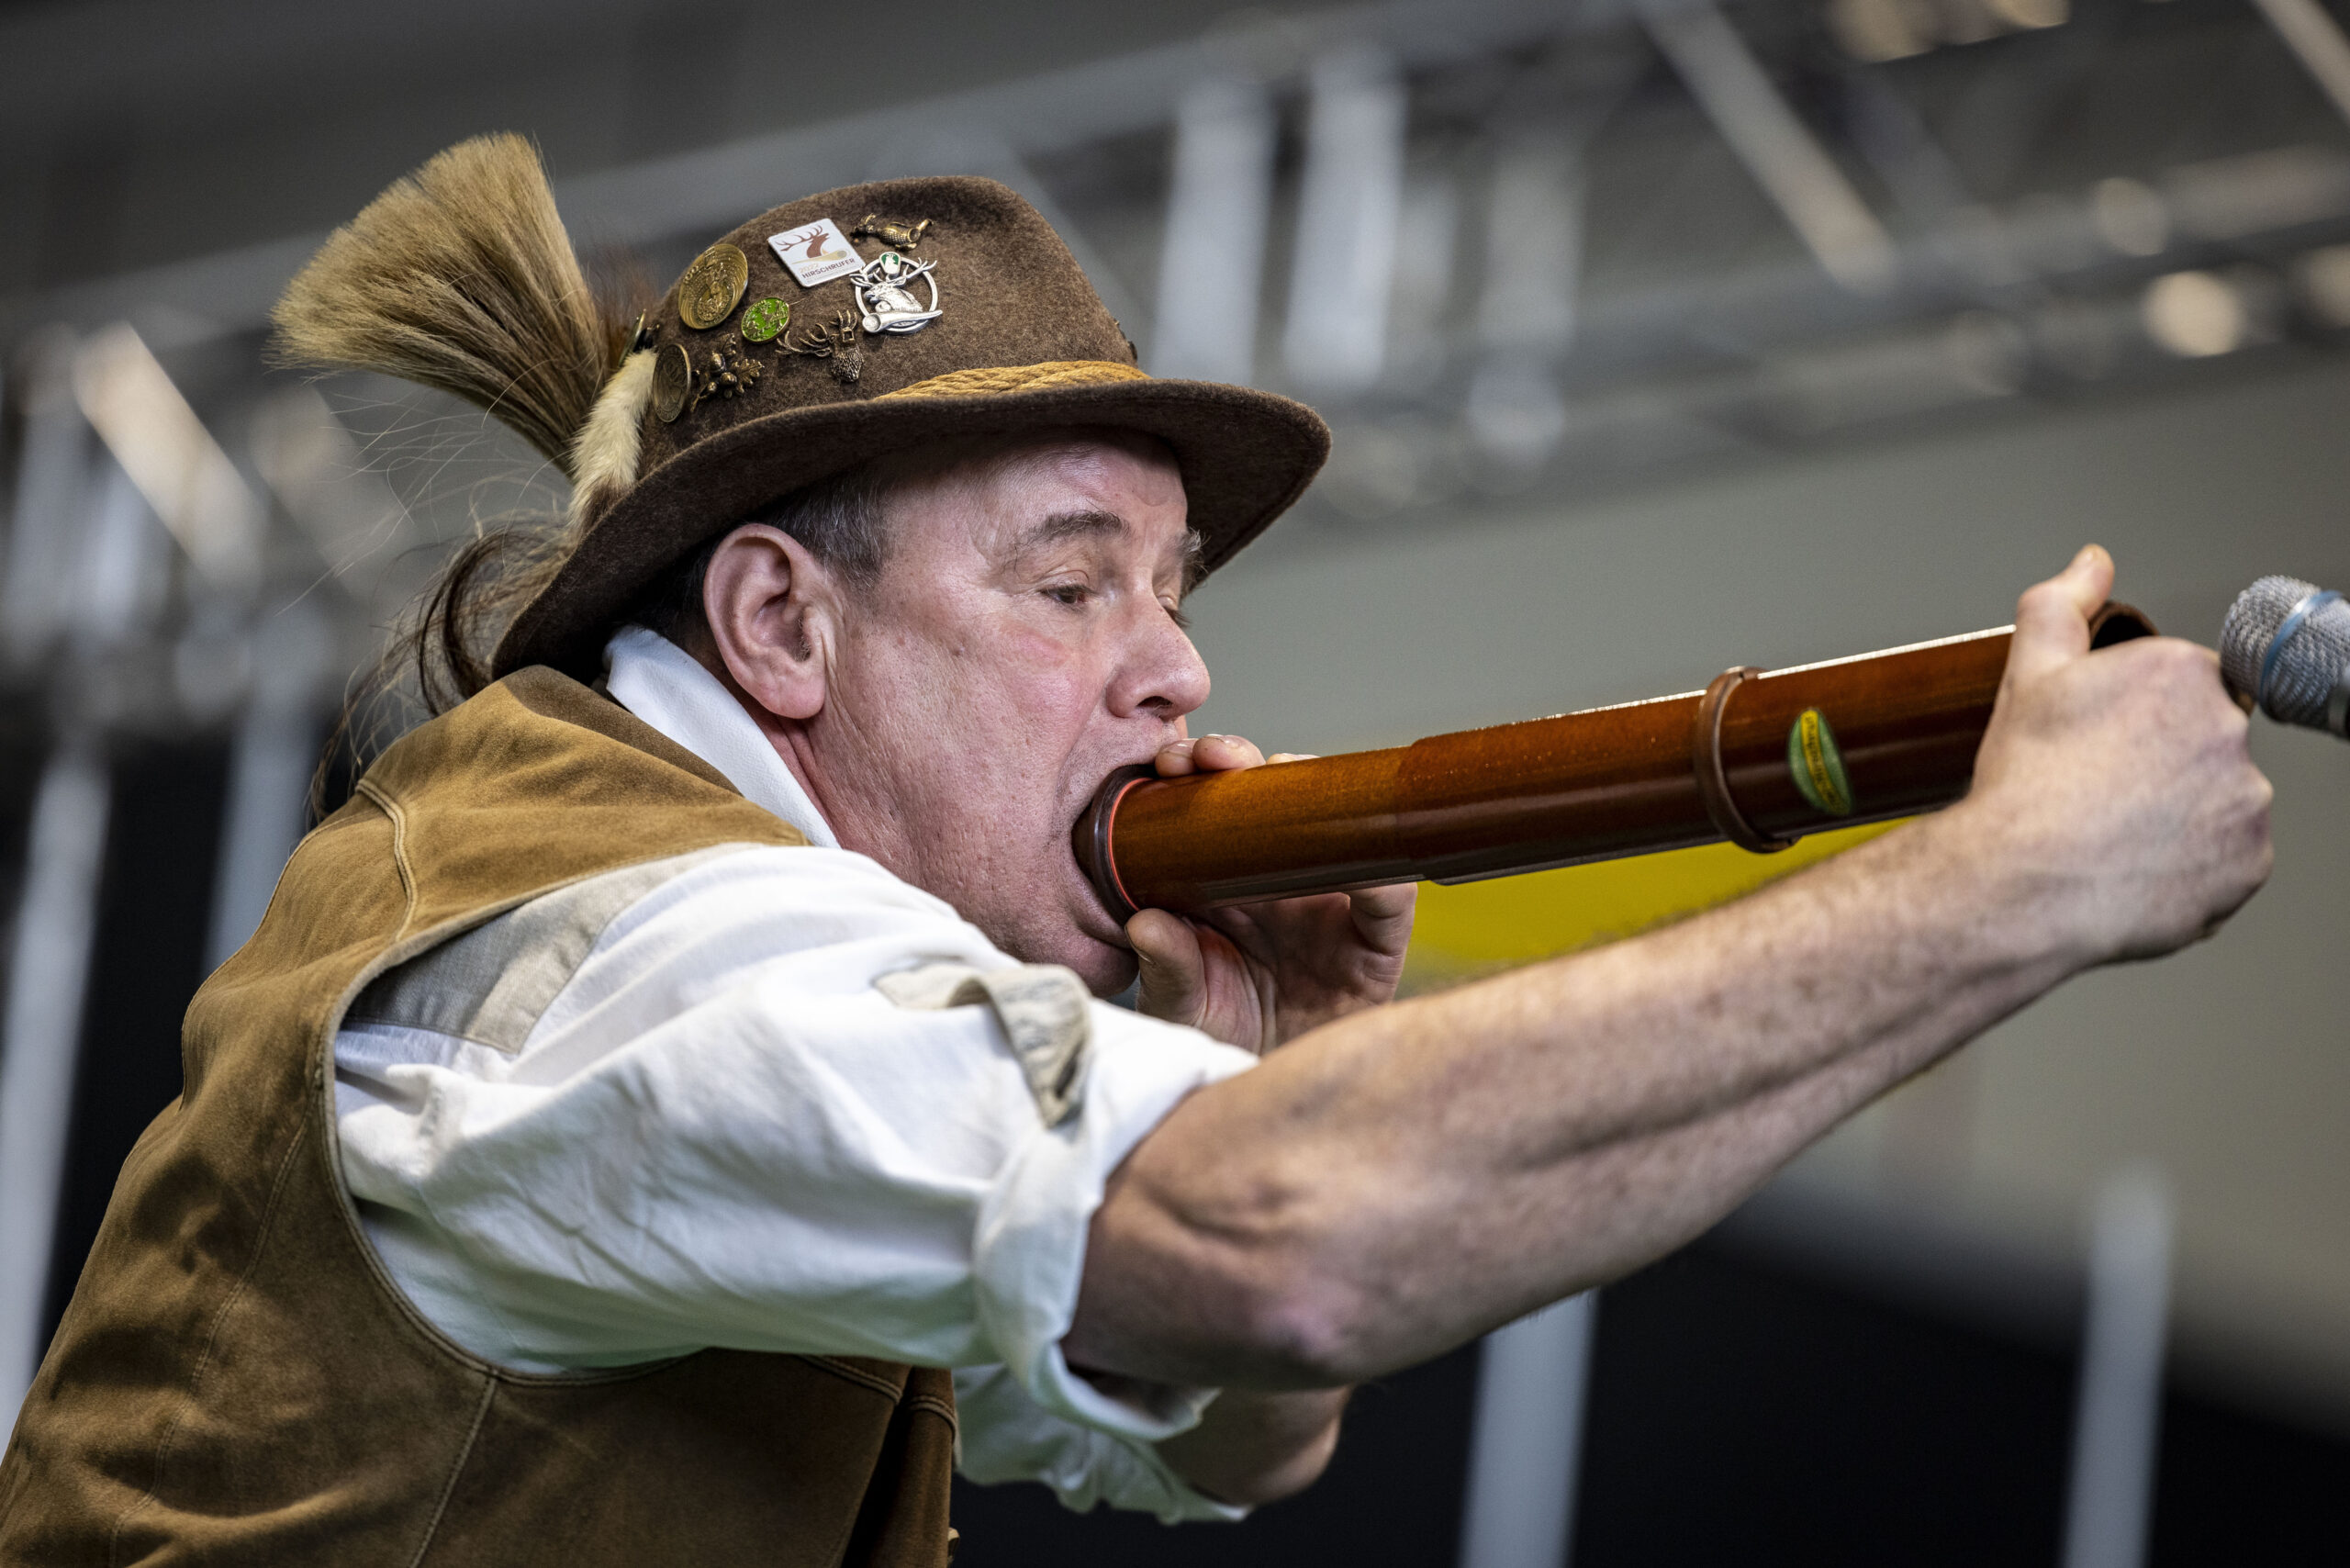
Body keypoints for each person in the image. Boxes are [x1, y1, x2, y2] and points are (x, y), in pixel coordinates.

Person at [0, 137, 2270, 1565]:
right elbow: (1281, 1250)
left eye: (1173, 591)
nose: (1170, 673)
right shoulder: (644, 958)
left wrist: (1275, 1077)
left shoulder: (761, 957)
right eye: (1073, 582)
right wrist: (2009, 888)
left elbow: (1237, 1436)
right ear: (781, 624)